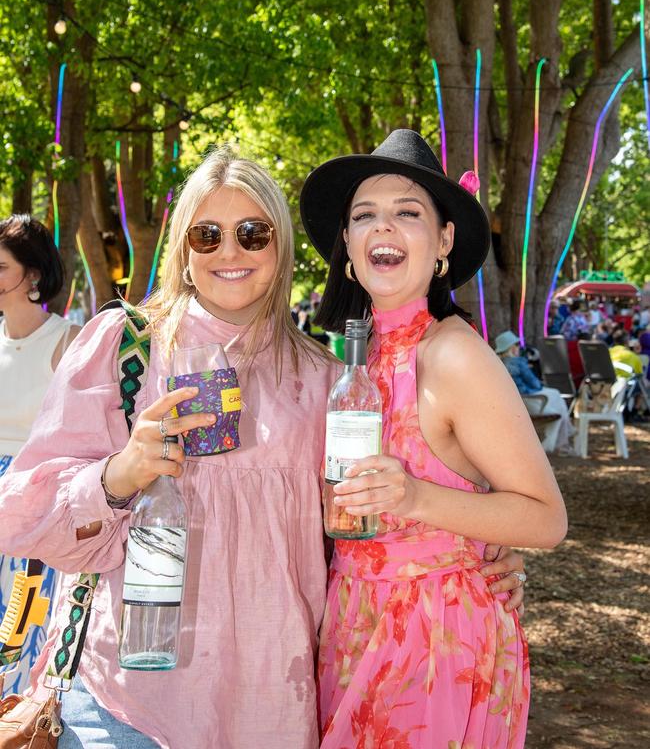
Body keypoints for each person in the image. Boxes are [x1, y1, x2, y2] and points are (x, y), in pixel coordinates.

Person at [0, 148, 528, 749]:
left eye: (254, 234)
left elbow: (372, 522)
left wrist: (486, 558)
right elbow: (18, 516)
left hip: (273, 708)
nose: (231, 252)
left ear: (281, 250)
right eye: (209, 234)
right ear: (183, 247)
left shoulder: (325, 378)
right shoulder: (123, 347)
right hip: (131, 705)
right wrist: (119, 474)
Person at [300, 129, 567, 749]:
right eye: (364, 215)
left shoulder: (455, 355)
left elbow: (546, 518)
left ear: (444, 240)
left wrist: (417, 499)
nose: (382, 227)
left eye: (408, 213)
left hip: (437, 641)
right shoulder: (344, 363)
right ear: (347, 242)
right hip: (349, 623)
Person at [0, 214, 81, 694]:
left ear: (32, 274)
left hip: (33, 499)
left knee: (22, 618)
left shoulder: (68, 341)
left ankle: (21, 718)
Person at [494, 330, 575, 454]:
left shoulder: (497, 364)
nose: (518, 347)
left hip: (515, 403)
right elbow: (535, 384)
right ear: (511, 348)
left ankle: (565, 434)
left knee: (555, 398)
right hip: (530, 401)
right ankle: (565, 436)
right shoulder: (518, 362)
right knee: (556, 397)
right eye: (516, 345)